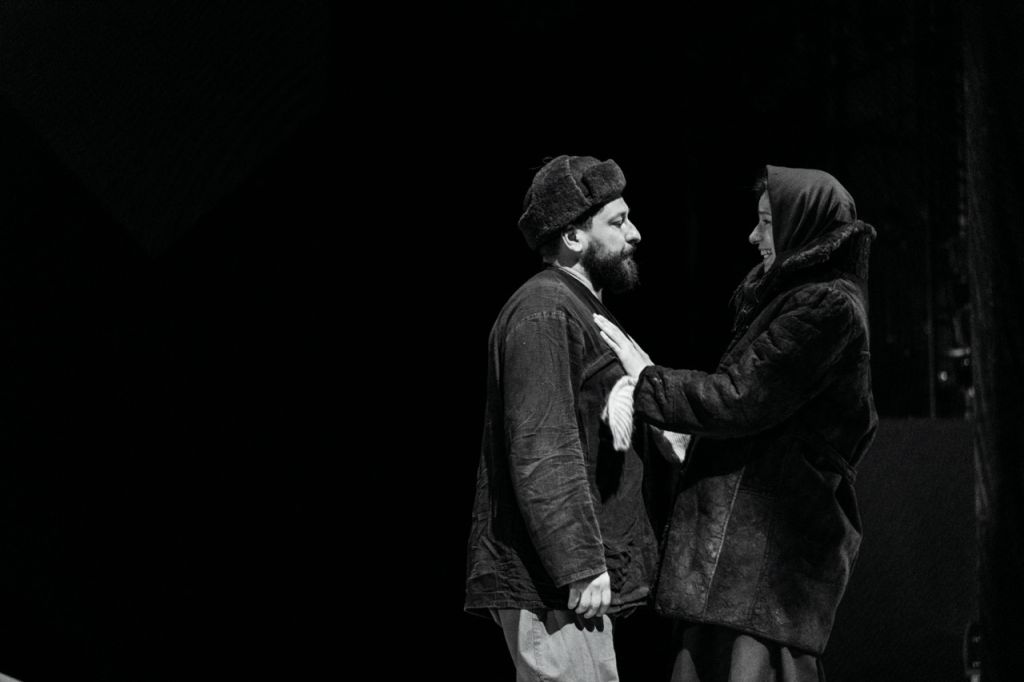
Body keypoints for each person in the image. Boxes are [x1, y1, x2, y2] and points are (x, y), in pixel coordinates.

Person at [594, 165, 878, 681]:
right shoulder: (799, 298)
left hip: (764, 570)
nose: (753, 236)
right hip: (745, 578)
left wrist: (647, 379)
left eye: (768, 222)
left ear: (803, 224)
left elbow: (741, 397)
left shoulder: (825, 305)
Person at [464, 154, 667, 682]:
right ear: (574, 237)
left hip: (566, 585)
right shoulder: (546, 310)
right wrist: (578, 562)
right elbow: (543, 443)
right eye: (618, 222)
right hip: (551, 587)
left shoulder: (576, 308)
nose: (635, 234)